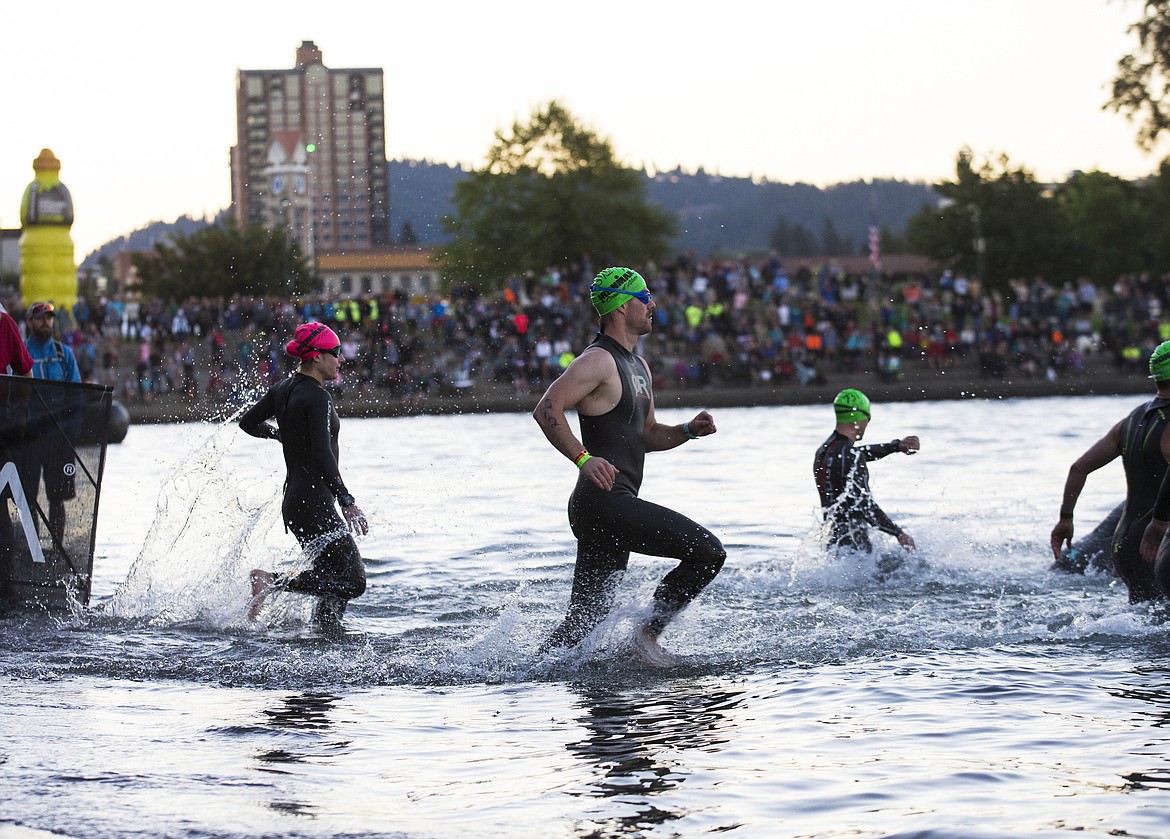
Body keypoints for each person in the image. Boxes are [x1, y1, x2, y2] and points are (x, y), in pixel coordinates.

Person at [533, 266, 726, 665]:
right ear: (621, 307)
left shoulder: (638, 367)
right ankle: (646, 638)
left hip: (607, 505)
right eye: (645, 297)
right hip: (602, 502)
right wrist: (582, 458)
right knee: (707, 552)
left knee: (583, 626)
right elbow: (546, 408)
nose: (653, 304)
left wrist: (688, 429)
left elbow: (649, 434)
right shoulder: (598, 360)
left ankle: (524, 674)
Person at [239, 321, 369, 628]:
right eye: (335, 352)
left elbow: (247, 423)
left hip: (296, 503)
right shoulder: (319, 397)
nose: (340, 359)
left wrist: (278, 435)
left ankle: (327, 638)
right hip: (314, 503)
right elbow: (322, 453)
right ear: (316, 357)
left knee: (333, 586)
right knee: (352, 581)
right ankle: (270, 581)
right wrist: (347, 500)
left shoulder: (283, 389)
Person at [1051, 340, 1170, 603]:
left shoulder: (1131, 421)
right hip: (1155, 542)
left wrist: (1066, 519)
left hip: (1123, 543)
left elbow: (1078, 468)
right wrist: (1159, 524)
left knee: (1142, 624)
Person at [813, 388, 919, 554]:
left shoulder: (824, 451)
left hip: (834, 543)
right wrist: (898, 533)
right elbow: (865, 505)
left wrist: (895, 446)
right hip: (856, 546)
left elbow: (860, 453)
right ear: (859, 420)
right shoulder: (851, 457)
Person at [22, 302, 81, 546]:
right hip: (28, 438)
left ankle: (57, 549)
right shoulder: (22, 351)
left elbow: (77, 394)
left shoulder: (63, 353)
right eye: (40, 318)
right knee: (27, 497)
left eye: (49, 318)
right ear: (30, 322)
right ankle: (33, 548)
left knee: (57, 497)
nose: (45, 322)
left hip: (58, 436)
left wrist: (73, 433)